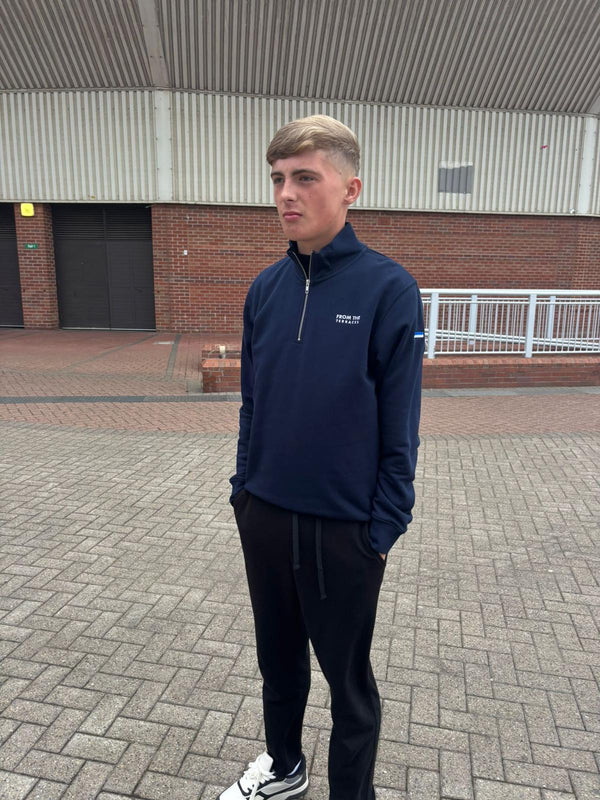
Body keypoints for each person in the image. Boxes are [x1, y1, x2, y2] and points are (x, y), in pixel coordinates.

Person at [221, 115, 424, 800]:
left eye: (305, 177)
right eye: (278, 178)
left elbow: (401, 427)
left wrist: (384, 528)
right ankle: (283, 766)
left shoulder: (387, 288)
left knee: (349, 684)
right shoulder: (263, 290)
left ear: (350, 189)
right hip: (266, 516)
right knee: (279, 665)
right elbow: (253, 404)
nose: (286, 193)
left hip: (344, 531)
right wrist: (242, 491)